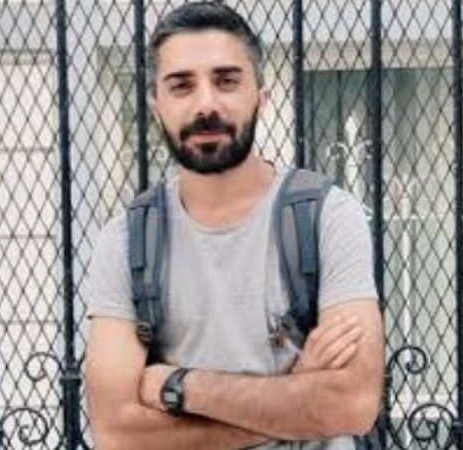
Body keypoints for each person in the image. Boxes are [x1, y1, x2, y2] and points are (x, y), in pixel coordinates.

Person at [83, 2, 384, 448]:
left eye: (226, 81)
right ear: (156, 107)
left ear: (261, 96)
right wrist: (294, 398)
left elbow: (352, 405)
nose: (206, 104)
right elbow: (117, 433)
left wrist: (176, 385)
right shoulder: (126, 241)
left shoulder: (327, 216)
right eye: (181, 85)